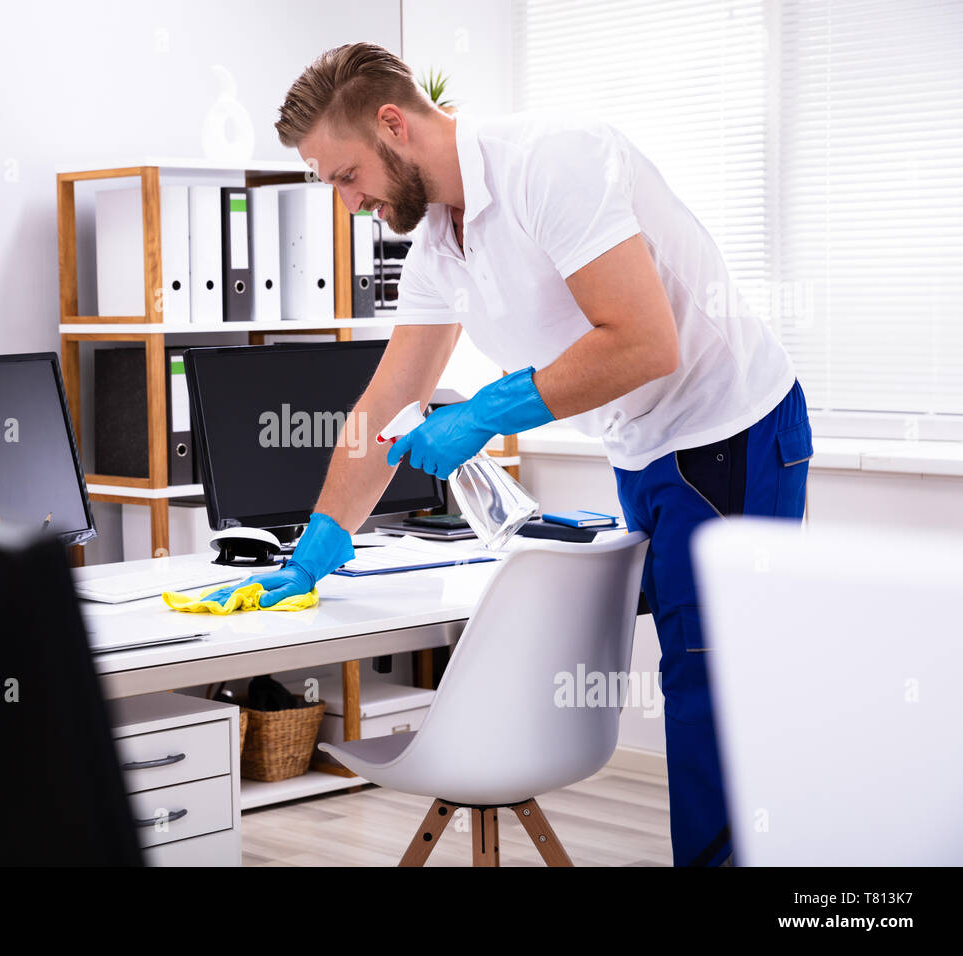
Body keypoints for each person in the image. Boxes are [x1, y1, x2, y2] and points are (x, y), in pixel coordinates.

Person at [209, 42, 813, 867]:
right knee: (695, 679)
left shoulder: (552, 162)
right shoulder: (438, 250)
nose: (349, 204)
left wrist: (488, 411)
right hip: (643, 450)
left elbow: (644, 343)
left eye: (346, 176)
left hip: (732, 431)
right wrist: (319, 540)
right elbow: (383, 407)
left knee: (715, 691)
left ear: (393, 125)